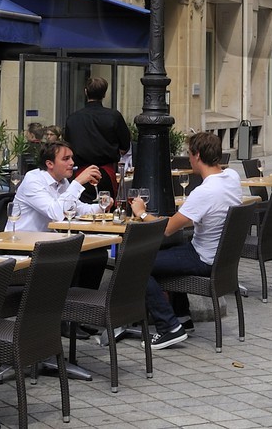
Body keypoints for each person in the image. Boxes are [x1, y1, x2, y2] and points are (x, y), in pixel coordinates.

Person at [142, 130, 242, 350]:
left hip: (204, 259)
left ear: (197, 155)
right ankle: (182, 317)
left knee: (139, 264)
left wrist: (141, 212)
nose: (188, 158)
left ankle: (169, 327)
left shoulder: (205, 192)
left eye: (189, 154)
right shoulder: (233, 177)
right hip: (221, 258)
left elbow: (167, 229)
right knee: (176, 249)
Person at [9, 140, 102, 232]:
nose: (72, 162)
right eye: (66, 159)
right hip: (20, 241)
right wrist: (78, 182)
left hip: (46, 239)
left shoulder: (62, 181)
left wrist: (102, 206)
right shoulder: (33, 180)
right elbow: (55, 213)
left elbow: (77, 208)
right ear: (50, 164)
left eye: (71, 158)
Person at [63, 75, 131, 199]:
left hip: (81, 173)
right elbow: (125, 145)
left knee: (80, 209)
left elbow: (67, 145)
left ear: (85, 92)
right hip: (106, 173)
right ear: (104, 94)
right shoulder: (113, 116)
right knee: (106, 209)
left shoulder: (73, 118)